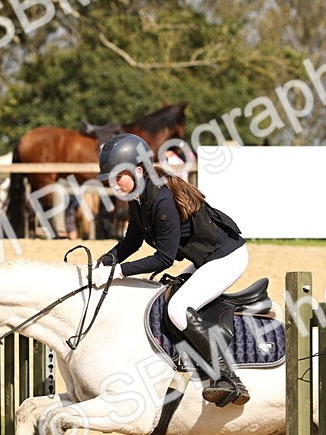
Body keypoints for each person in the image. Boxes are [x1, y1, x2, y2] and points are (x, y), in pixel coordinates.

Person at [93, 133, 250, 406]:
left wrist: (118, 272)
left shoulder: (161, 199)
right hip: (205, 259)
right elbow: (133, 240)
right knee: (165, 297)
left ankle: (227, 378)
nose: (114, 183)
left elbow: (164, 258)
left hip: (227, 258)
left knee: (178, 308)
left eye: (118, 176)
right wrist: (105, 261)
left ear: (138, 170)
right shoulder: (138, 196)